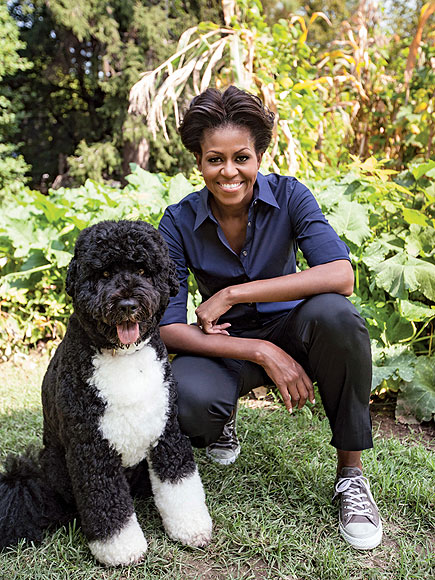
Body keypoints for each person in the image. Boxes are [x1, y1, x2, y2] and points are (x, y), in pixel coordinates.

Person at [158, 85, 382, 550]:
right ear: (198, 162)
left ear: (259, 154)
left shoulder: (292, 196)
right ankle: (222, 418)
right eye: (214, 159)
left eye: (241, 156)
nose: (229, 171)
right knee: (186, 401)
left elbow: (341, 274)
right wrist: (260, 350)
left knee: (339, 317)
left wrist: (236, 291)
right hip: (228, 341)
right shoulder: (177, 222)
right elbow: (169, 328)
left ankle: (352, 476)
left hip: (293, 327)